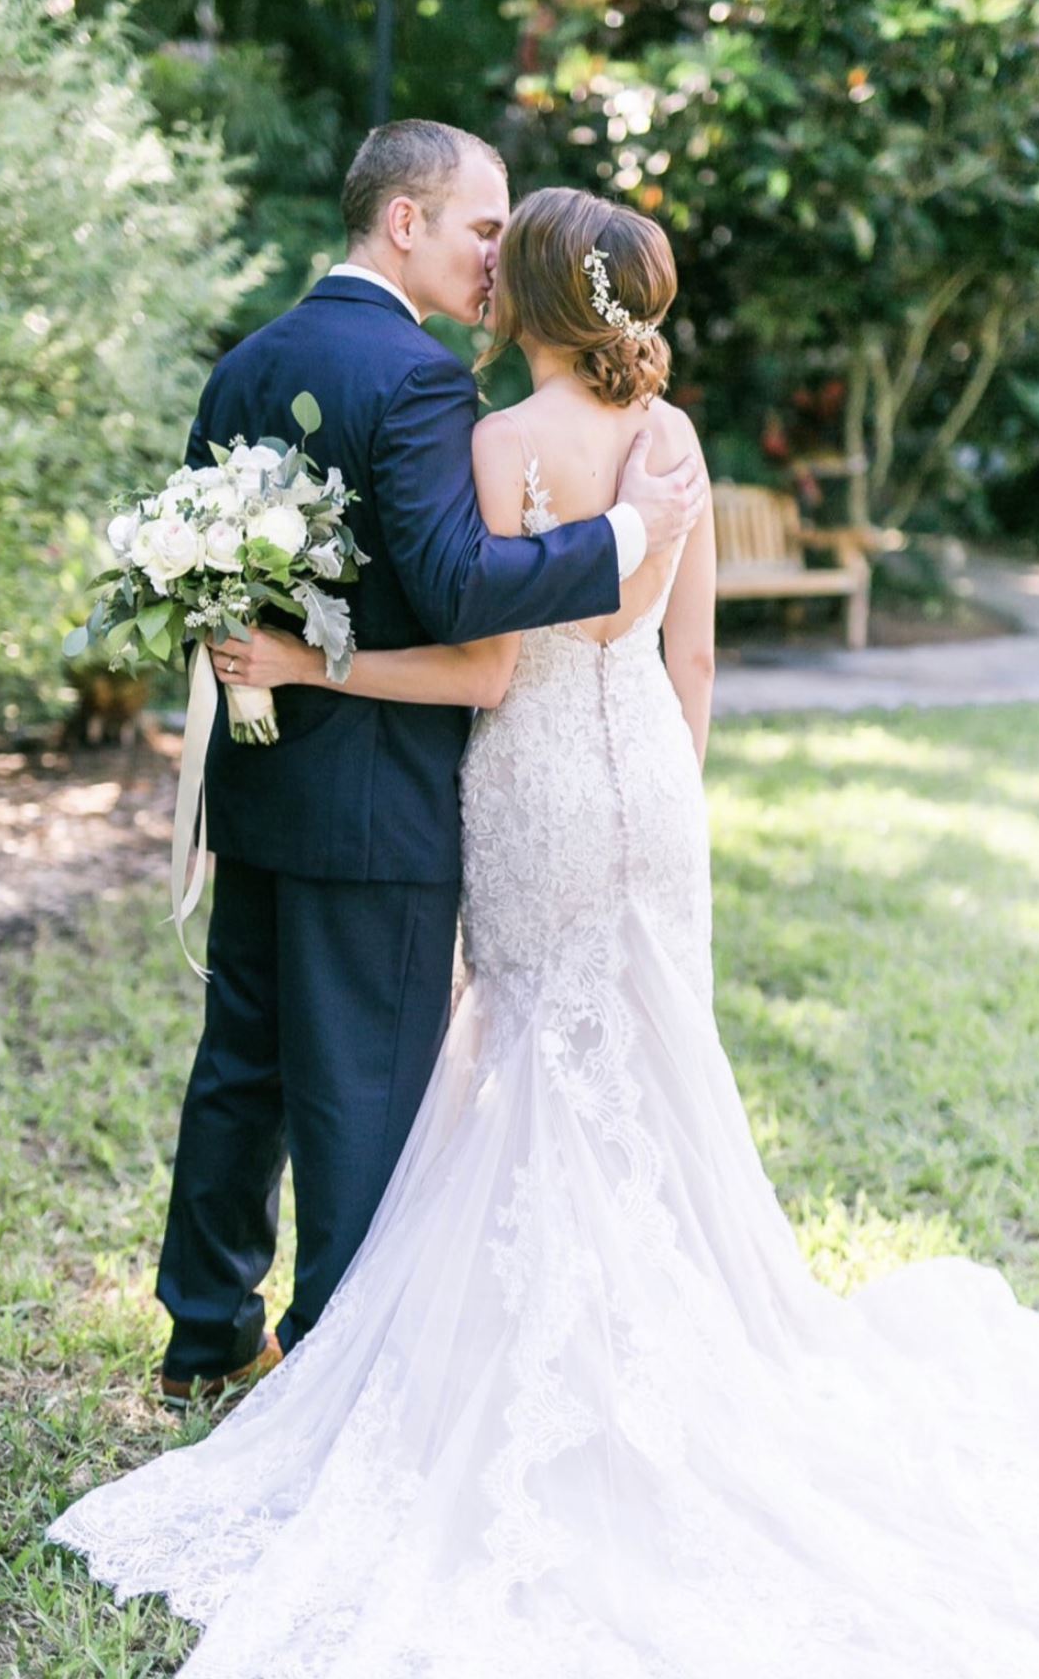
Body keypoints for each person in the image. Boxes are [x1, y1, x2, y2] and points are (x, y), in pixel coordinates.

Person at [50, 189, 1039, 1676]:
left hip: (532, 791)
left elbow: (481, 674)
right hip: (650, 791)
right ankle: (685, 1352)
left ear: (525, 298)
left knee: (529, 1056)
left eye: (497, 257)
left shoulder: (489, 446)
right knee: (659, 1063)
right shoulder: (673, 446)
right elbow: (695, 654)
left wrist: (308, 662)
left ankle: (511, 1354)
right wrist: (663, 792)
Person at [153, 120, 705, 1403]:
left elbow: (207, 572)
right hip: (382, 799)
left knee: (240, 1064)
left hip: (263, 779)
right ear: (404, 222)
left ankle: (202, 1337)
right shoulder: (418, 383)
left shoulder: (246, 362)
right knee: (360, 1093)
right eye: (477, 226)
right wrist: (630, 530)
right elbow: (460, 588)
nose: (492, 255)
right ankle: (341, 1369)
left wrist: (268, 664)